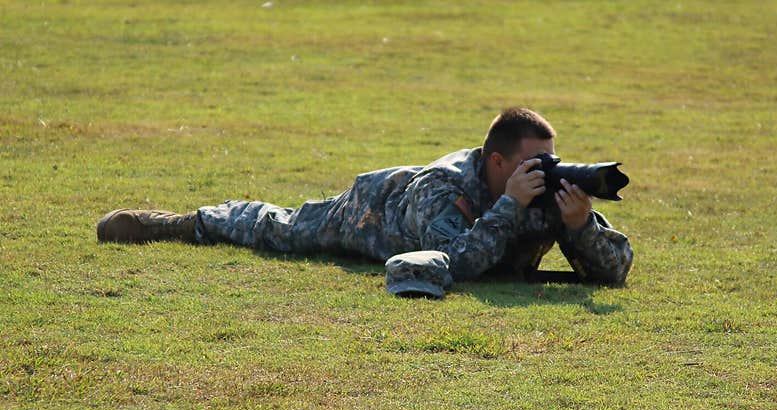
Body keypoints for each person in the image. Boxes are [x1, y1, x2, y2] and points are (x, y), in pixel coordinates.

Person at [96, 108, 633, 284]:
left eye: (551, 160)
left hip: (454, 211)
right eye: (531, 163)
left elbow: (617, 270)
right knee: (279, 230)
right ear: (498, 163)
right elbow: (457, 264)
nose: (544, 172)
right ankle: (180, 224)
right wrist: (510, 206)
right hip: (374, 213)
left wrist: (581, 226)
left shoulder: (542, 193)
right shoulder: (443, 189)